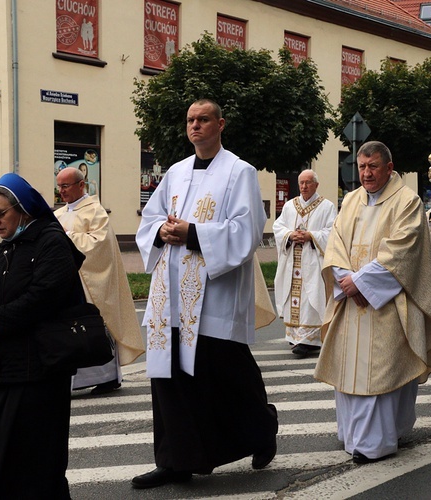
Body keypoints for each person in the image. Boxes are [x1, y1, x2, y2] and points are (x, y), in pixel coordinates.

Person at [133, 99, 278, 489]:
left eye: (203, 119)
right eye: (190, 121)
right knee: (169, 377)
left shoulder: (239, 172)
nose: (195, 126)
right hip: (171, 294)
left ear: (220, 124)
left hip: (215, 294)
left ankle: (263, 426)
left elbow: (247, 232)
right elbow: (151, 218)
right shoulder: (176, 172)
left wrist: (193, 234)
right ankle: (173, 460)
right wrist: (161, 232)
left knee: (227, 374)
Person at [315, 141, 431, 464]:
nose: (366, 174)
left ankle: (377, 442)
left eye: (373, 167)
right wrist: (346, 280)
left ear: (389, 167)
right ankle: (353, 436)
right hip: (351, 302)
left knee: (382, 372)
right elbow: (336, 243)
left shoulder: (407, 202)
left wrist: (360, 282)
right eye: (361, 167)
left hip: (387, 305)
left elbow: (402, 250)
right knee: (349, 371)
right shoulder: (353, 200)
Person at [0, 173, 86, 498]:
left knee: (35, 461)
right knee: (0, 458)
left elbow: (44, 296)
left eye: (0, 214)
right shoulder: (1, 252)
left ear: (22, 209)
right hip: (2, 372)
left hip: (38, 372)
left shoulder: (51, 241)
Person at [54, 167, 145, 394]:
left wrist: (67, 236)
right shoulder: (57, 214)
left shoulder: (96, 212)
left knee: (95, 325)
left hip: (89, 282)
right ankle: (72, 380)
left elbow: (99, 244)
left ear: (81, 185)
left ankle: (107, 377)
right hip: (65, 281)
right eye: (59, 186)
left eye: (65, 186)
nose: (61, 191)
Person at [273, 169, 336, 358]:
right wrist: (289, 235)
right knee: (294, 296)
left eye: (308, 182)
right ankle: (295, 337)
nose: (304, 186)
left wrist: (312, 236)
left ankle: (310, 340)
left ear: (316, 184)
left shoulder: (327, 206)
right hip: (293, 261)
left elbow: (332, 231)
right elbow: (278, 226)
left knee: (311, 298)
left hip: (314, 262)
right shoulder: (290, 206)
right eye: (301, 183)